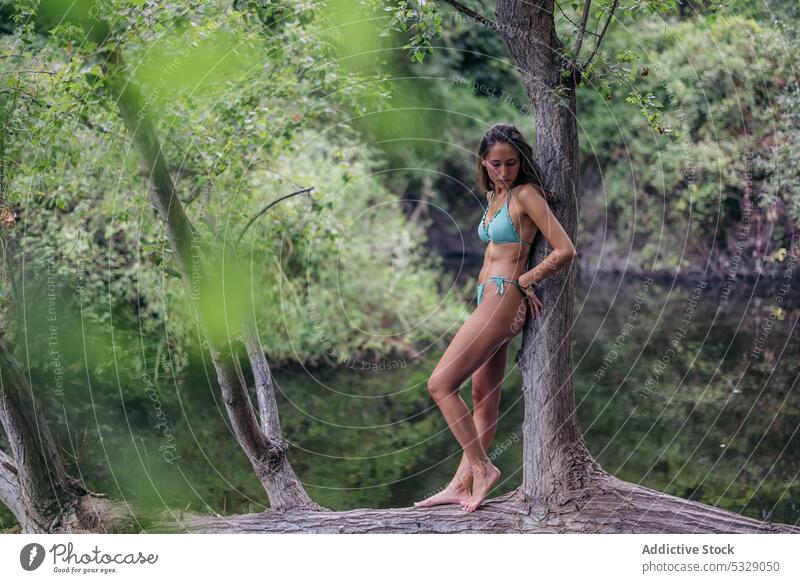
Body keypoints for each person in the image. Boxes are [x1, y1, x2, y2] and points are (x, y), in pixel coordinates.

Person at [414, 123, 577, 512]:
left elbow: (565, 249)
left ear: (522, 162)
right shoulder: (495, 196)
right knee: (482, 397)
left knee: (439, 384)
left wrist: (526, 279)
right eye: (496, 164)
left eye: (511, 163)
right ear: (484, 164)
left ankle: (482, 468)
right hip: (488, 297)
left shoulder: (526, 194)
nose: (504, 171)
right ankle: (459, 485)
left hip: (504, 297)